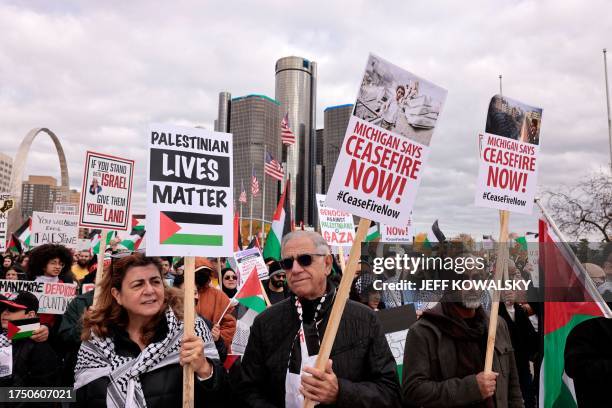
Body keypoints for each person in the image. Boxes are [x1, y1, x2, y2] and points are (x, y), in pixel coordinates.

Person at [240, 230, 401, 407]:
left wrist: (341, 392)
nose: (295, 269)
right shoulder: (266, 322)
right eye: (287, 263)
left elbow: (390, 392)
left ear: (327, 264)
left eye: (305, 259)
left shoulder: (364, 319)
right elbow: (247, 390)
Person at [74, 253, 225, 407]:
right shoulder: (96, 341)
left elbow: (225, 397)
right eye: (138, 284)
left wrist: (205, 370)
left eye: (155, 282)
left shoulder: (189, 330)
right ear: (117, 295)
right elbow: (74, 397)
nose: (149, 290)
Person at [402, 254, 523, 408]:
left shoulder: (497, 325)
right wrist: (470, 388)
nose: (471, 286)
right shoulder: (424, 332)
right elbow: (413, 391)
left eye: (477, 279)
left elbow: (513, 386)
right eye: (463, 279)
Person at [0, 291, 60, 396]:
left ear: (30, 314)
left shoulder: (38, 343)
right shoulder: (8, 333)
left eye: (12, 309)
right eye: (3, 308)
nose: (5, 312)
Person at [195, 258, 236, 352]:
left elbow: (230, 325)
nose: (203, 274)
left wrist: (218, 337)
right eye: (199, 272)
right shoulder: (183, 294)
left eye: (206, 271)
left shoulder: (220, 296)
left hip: (215, 352)